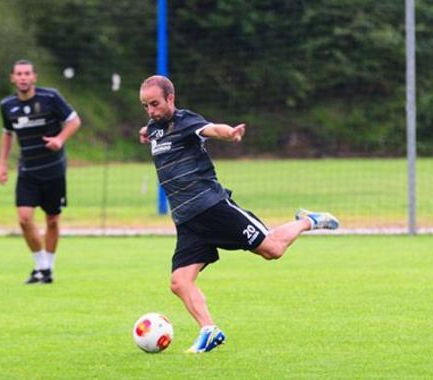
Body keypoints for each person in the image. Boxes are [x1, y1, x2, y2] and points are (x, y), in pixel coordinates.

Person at [138, 75, 339, 353]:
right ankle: (209, 330)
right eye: (146, 106)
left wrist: (228, 132)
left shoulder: (186, 122)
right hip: (187, 221)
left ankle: (308, 221)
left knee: (273, 249)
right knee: (179, 282)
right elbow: (154, 130)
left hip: (213, 208)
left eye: (155, 104)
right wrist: (147, 130)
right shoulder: (154, 127)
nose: (151, 111)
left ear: (171, 99)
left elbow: (211, 129)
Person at [0, 59, 82, 284]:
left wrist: (60, 139)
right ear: (12, 78)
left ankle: (48, 269)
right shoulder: (7, 105)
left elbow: (74, 121)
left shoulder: (50, 98)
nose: (23, 77)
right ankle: (41, 265)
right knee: (24, 219)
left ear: (34, 77)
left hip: (53, 171)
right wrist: (2, 164)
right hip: (27, 171)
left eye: (27, 73)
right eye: (19, 74)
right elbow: (7, 134)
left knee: (52, 220)